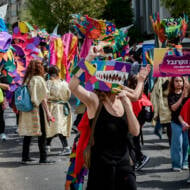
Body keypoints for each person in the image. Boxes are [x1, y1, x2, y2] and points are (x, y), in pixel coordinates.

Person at [68, 46, 150, 190]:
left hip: (124, 164)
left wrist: (138, 86)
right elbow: (73, 86)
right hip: (101, 166)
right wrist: (88, 59)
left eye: (119, 78)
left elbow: (136, 131)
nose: (117, 81)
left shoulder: (123, 97)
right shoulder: (95, 100)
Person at [18, 59, 55, 164]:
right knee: (42, 133)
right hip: (37, 109)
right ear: (40, 68)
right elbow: (43, 98)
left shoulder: (27, 79)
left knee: (28, 134)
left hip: (27, 109)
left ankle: (25, 156)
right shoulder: (39, 79)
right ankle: (43, 158)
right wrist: (48, 112)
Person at [46, 65, 72, 156]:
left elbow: (45, 95)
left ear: (49, 74)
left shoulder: (49, 83)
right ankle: (47, 145)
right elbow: (69, 94)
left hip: (54, 107)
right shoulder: (65, 83)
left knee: (56, 128)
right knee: (57, 127)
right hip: (64, 106)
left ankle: (66, 147)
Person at [168, 76, 189, 171]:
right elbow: (173, 108)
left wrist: (186, 83)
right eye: (176, 81)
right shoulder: (171, 95)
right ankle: (176, 164)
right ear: (173, 83)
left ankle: (185, 162)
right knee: (177, 144)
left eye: (181, 81)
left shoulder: (188, 94)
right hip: (176, 123)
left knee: (186, 144)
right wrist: (181, 97)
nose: (179, 83)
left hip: (186, 123)